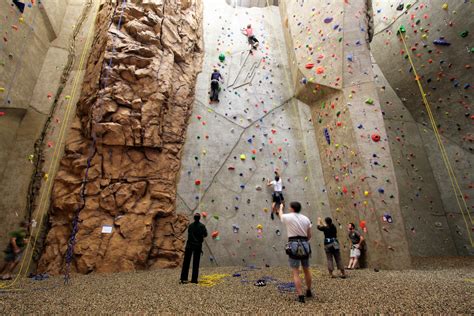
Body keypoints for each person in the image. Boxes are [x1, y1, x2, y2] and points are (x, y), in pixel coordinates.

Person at [277, 202, 312, 303]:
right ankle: (308, 290)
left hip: (293, 244)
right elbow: (309, 235)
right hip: (305, 243)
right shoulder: (306, 219)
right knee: (307, 269)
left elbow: (280, 215)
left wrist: (281, 207)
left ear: (292, 208)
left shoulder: (288, 217)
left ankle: (300, 295)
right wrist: (304, 241)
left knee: (296, 272)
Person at [180, 213, 208, 284]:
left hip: (189, 245)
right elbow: (205, 235)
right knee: (196, 263)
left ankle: (184, 278)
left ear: (194, 218)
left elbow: (189, 234)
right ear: (199, 218)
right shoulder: (202, 226)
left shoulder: (190, 226)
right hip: (197, 246)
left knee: (186, 262)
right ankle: (194, 279)